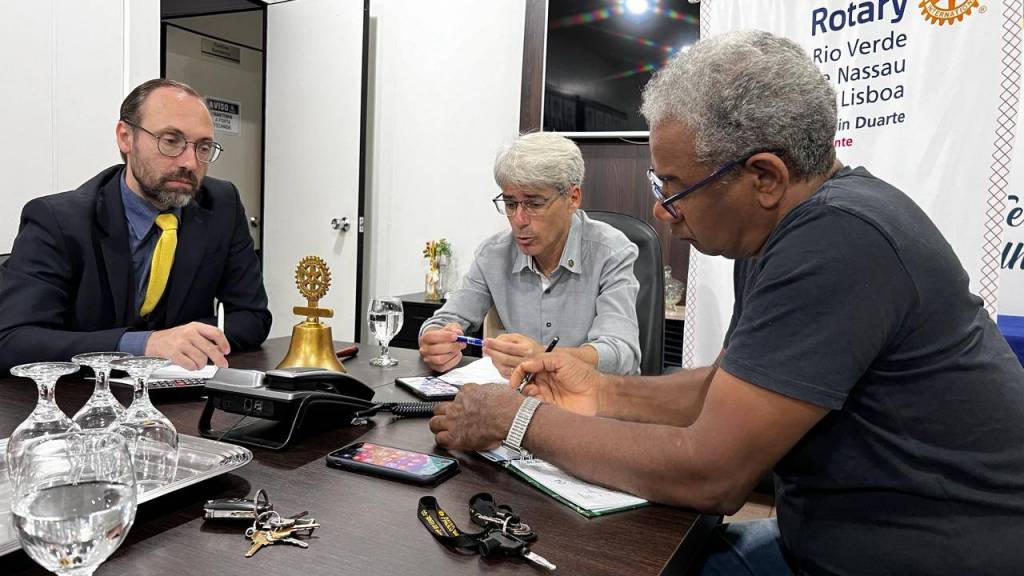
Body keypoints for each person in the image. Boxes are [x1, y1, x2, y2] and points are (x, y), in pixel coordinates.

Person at [429, 30, 1024, 575]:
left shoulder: (839, 240)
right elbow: (725, 387)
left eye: (673, 186)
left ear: (763, 177)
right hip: (823, 540)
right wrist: (601, 391)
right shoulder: (777, 234)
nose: (661, 210)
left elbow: (711, 474)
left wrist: (517, 421)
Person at [0, 79, 271, 373]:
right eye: (171, 141)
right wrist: (144, 344)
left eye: (203, 147)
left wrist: (186, 340)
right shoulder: (58, 220)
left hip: (182, 391)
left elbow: (252, 316)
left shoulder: (222, 205)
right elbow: (13, 340)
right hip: (82, 393)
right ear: (125, 137)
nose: (191, 163)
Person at [418, 132, 641, 377]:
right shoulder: (493, 255)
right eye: (510, 204)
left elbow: (621, 353)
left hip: (594, 396)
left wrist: (544, 357)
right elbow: (444, 320)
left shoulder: (611, 252)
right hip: (522, 394)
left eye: (534, 204)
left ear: (573, 198)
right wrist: (435, 340)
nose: (519, 220)